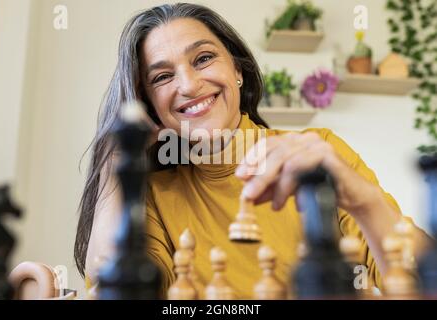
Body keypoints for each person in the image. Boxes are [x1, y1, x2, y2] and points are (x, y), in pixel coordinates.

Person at [74, 3, 431, 298]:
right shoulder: (153, 194)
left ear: (238, 70)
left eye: (202, 59)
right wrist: (116, 157)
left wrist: (363, 201)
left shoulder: (317, 154)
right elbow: (113, 288)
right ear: (149, 104)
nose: (188, 85)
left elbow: (423, 285)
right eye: (162, 77)